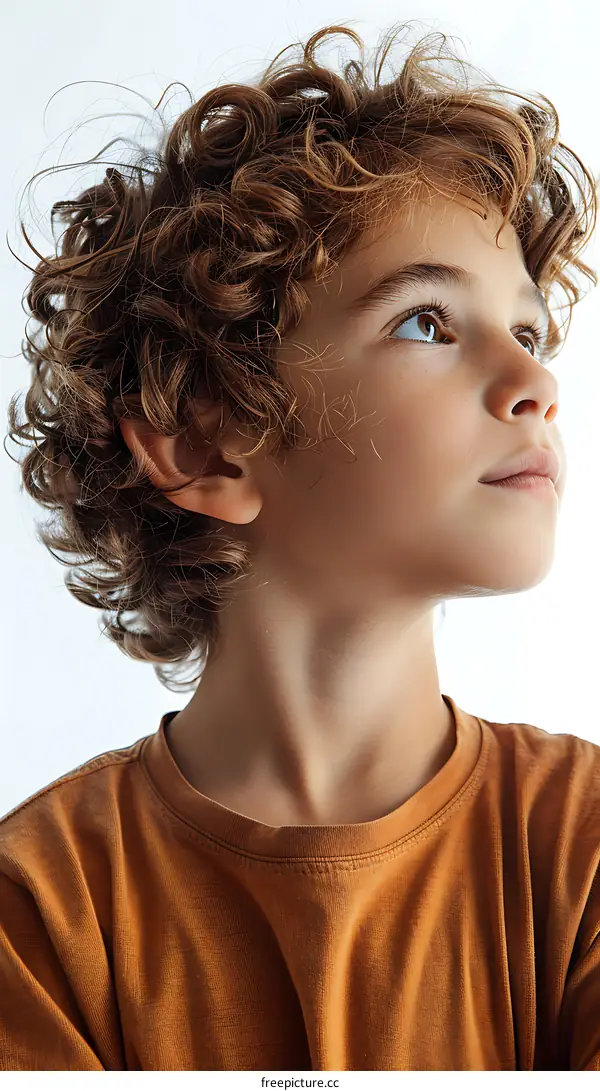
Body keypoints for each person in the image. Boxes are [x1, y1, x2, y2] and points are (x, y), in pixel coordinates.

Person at [2, 20, 599, 1072]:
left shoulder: (582, 846)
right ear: (206, 441)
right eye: (428, 321)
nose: (537, 382)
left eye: (531, 329)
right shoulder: (42, 910)